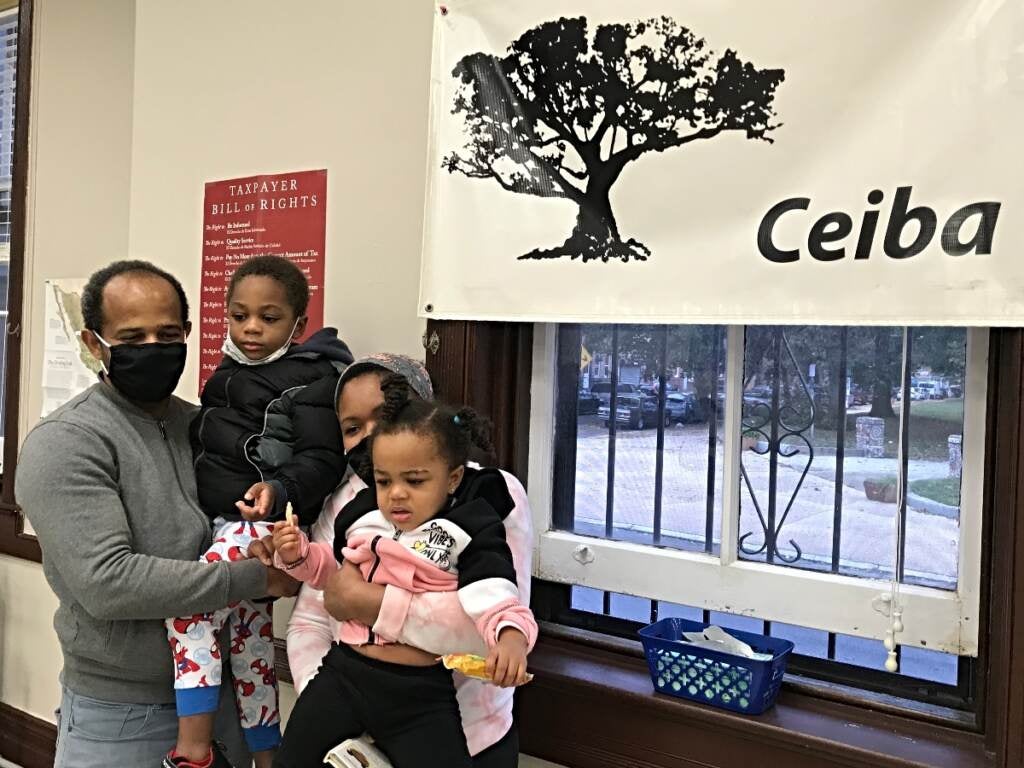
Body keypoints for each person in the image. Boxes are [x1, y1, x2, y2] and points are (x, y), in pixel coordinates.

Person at [16, 260, 297, 768]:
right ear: (93, 342)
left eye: (167, 334)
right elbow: (108, 582)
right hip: (123, 715)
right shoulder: (65, 443)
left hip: (225, 699)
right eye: (132, 336)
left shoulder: (204, 428)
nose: (152, 348)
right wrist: (257, 577)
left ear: (189, 334)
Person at [279, 354, 533, 767]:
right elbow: (317, 600)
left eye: (387, 415)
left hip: (449, 717)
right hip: (349, 696)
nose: (372, 435)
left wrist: (365, 602)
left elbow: (488, 609)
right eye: (352, 428)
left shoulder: (481, 504)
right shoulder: (354, 506)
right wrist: (298, 556)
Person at [165, 255, 353, 768]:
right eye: (238, 315)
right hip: (225, 520)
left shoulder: (311, 380)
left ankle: (193, 752)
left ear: (299, 324)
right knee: (249, 645)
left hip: (263, 524)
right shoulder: (227, 370)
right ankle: (267, 759)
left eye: (268, 318)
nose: (250, 328)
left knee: (190, 609)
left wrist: (277, 486)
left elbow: (323, 460)